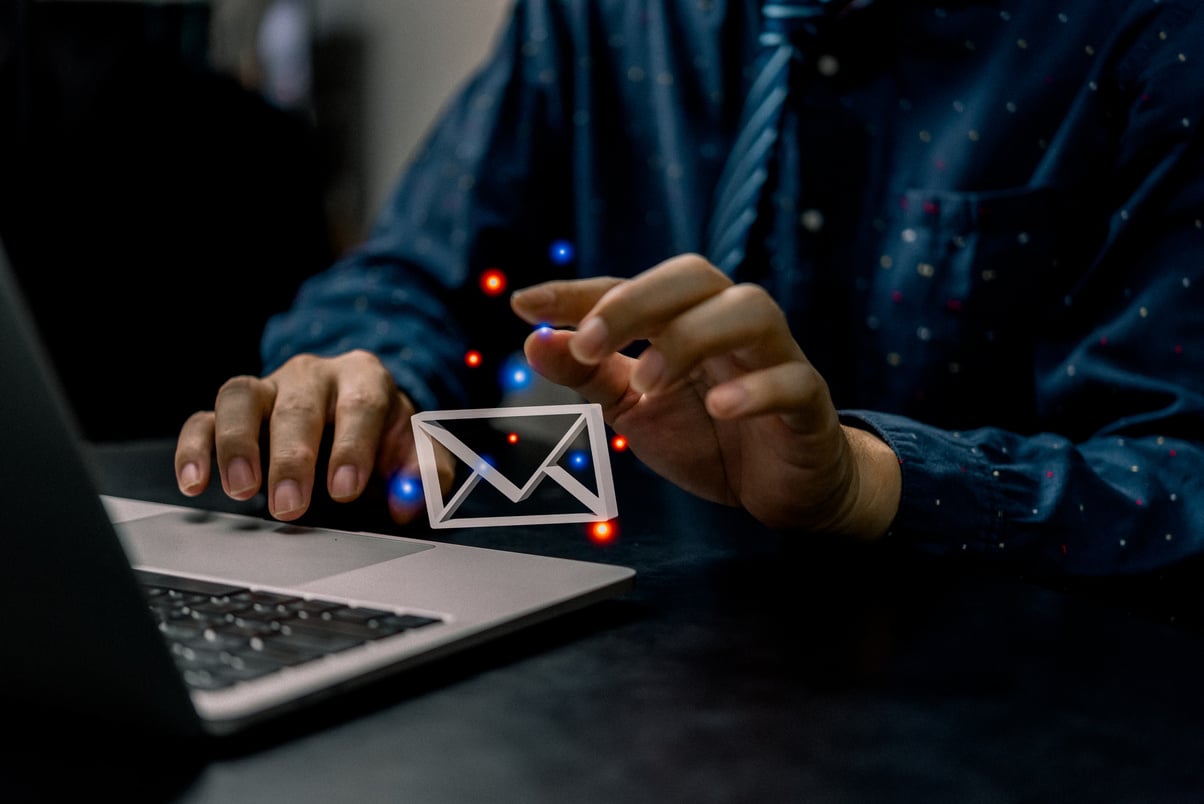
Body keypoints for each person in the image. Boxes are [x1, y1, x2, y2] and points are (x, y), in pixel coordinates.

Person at [176, 0, 1204, 577]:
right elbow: (408, 270)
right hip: (626, 686)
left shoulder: (1141, 31)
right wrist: (366, 371)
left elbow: (1181, 477)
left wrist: (867, 480)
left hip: (1008, 709)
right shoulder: (598, 19)